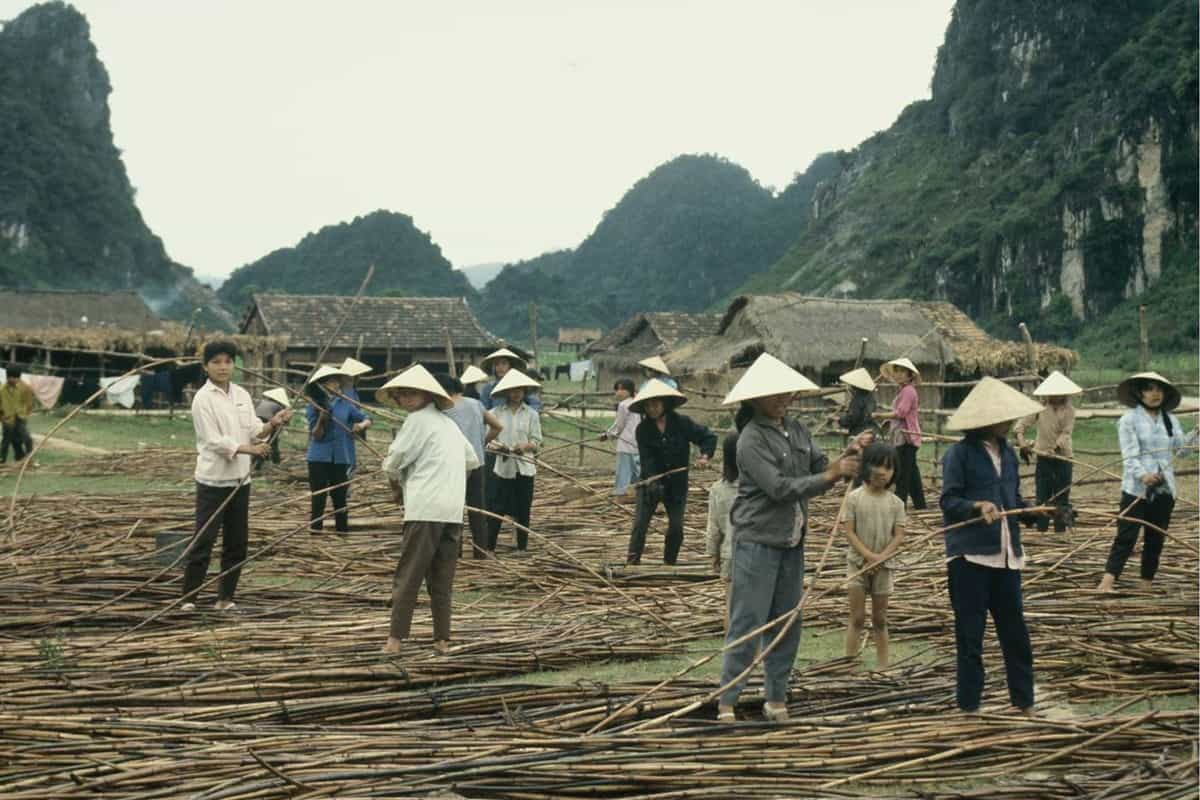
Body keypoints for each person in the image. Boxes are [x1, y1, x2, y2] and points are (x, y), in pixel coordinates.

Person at [717, 353, 866, 723]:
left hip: (791, 541)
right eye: (778, 393)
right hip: (757, 541)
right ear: (755, 399)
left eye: (789, 392)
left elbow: (819, 464)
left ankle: (775, 697)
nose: (787, 398)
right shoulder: (749, 440)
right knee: (748, 622)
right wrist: (832, 475)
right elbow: (780, 488)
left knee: (787, 622)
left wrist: (846, 456)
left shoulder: (797, 430)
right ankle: (726, 701)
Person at [940, 377, 1047, 714]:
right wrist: (977, 507)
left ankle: (1024, 701)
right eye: (1004, 415)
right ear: (985, 419)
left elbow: (1011, 499)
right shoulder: (959, 454)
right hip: (970, 557)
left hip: (1007, 559)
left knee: (1015, 634)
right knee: (970, 637)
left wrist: (1031, 511)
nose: (1011, 420)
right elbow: (949, 500)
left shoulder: (1010, 454)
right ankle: (969, 706)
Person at [183, 340, 293, 612]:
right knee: (203, 541)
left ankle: (225, 598)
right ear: (205, 366)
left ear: (234, 364)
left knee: (236, 543)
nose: (223, 367)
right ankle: (189, 598)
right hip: (213, 481)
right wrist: (250, 449)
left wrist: (273, 424)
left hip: (241, 481)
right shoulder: (202, 399)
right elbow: (213, 441)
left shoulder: (242, 394)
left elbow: (255, 429)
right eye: (216, 362)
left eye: (228, 362)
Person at [379, 364, 480, 655]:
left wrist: (398, 488)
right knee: (442, 578)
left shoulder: (418, 421)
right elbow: (470, 461)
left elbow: (394, 461)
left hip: (425, 511)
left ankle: (394, 641)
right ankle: (442, 640)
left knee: (409, 576)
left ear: (426, 395)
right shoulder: (449, 424)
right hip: (451, 512)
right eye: (401, 395)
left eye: (411, 394)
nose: (405, 399)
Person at [1098, 372, 1198, 593]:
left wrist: (1196, 433)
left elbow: (1180, 451)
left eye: (1160, 390)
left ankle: (1146, 583)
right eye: (1150, 389)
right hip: (1137, 489)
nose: (1156, 394)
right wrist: (1143, 475)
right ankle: (1107, 582)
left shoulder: (1170, 420)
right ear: (1140, 392)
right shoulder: (1129, 419)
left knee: (1155, 538)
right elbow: (1129, 455)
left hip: (1164, 489)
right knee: (1126, 535)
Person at [626, 379, 716, 566]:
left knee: (676, 527)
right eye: (648, 405)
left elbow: (707, 437)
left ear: (665, 404)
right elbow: (647, 459)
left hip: (677, 484)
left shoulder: (682, 423)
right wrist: (653, 482)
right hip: (650, 482)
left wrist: (704, 457)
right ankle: (632, 563)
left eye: (655, 404)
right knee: (640, 525)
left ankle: (669, 563)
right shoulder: (643, 430)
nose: (652, 409)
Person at [843, 443, 905, 668]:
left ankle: (883, 666)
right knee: (857, 618)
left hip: (884, 567)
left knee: (880, 620)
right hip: (858, 565)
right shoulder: (853, 498)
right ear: (866, 466)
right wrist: (869, 556)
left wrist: (881, 558)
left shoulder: (896, 503)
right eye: (877, 465)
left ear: (894, 472)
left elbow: (898, 536)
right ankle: (848, 665)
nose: (882, 471)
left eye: (888, 467)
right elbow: (849, 531)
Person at [436, 373, 503, 559]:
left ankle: (453, 552)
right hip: (477, 463)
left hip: (452, 465)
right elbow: (497, 426)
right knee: (478, 510)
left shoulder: (442, 408)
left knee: (453, 510)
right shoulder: (475, 404)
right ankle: (480, 552)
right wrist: (480, 442)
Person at [305, 365, 370, 535]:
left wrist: (360, 425)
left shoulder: (346, 404)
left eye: (337, 382)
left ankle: (342, 532)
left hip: (341, 457)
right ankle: (315, 533)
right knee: (318, 497)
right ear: (322, 385)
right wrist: (321, 419)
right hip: (319, 457)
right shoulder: (313, 405)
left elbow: (366, 418)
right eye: (331, 383)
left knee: (340, 498)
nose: (336, 386)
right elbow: (316, 435)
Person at [1016, 371, 1081, 533]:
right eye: (1053, 392)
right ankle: (1042, 531)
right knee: (1042, 496)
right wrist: (1022, 441)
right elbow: (1021, 425)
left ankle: (1060, 532)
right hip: (1043, 457)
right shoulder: (1039, 407)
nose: (1056, 396)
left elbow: (1066, 433)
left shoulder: (1070, 410)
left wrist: (1056, 448)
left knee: (1061, 497)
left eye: (1059, 393)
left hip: (1063, 457)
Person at [486, 368, 543, 553]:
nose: (517, 393)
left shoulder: (531, 414)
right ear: (506, 392)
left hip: (524, 467)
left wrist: (525, 446)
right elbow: (487, 441)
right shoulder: (494, 412)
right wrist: (499, 447)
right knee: (496, 508)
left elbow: (537, 441)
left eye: (520, 390)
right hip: (501, 468)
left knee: (523, 509)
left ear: (525, 391)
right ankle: (490, 548)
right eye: (513, 390)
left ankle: (522, 548)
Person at [877, 357, 926, 510]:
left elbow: (901, 413)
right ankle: (920, 505)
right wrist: (888, 421)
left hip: (906, 437)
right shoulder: (902, 391)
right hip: (902, 435)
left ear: (909, 375)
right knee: (912, 474)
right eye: (896, 371)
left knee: (902, 474)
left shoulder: (908, 391)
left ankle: (899, 507)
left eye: (902, 372)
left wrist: (880, 415)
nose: (898, 375)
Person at [706, 432, 740, 625]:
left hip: (729, 553)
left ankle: (733, 651)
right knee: (756, 606)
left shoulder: (718, 489)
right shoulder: (758, 485)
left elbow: (714, 527)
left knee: (731, 606)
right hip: (757, 553)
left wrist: (713, 555)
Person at [339, 357, 374, 496]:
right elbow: (352, 411)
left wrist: (363, 421)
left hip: (348, 430)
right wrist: (363, 420)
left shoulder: (351, 389)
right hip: (344, 429)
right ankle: (343, 491)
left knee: (347, 462)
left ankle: (343, 490)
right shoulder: (346, 390)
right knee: (348, 463)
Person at [600, 378, 641, 496]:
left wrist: (607, 435)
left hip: (626, 442)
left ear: (629, 390)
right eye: (617, 389)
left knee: (624, 471)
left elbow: (619, 425)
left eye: (622, 389)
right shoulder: (639, 401)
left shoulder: (623, 405)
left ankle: (621, 494)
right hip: (639, 442)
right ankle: (636, 493)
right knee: (636, 470)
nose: (619, 392)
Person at [478, 347, 543, 411]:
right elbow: (483, 410)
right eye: (496, 364)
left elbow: (536, 404)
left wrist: (523, 414)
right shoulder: (488, 388)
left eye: (504, 363)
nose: (500, 367)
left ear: (510, 366)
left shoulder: (521, 385)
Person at [0, 366, 34, 463]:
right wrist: (2, 418)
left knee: (27, 438)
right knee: (7, 440)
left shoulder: (25, 388)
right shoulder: (2, 389)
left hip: (20, 418)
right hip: (7, 419)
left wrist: (25, 414)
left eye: (16, 378)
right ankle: (3, 460)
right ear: (7, 377)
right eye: (12, 377)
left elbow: (29, 404)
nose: (14, 380)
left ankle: (29, 460)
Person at [835, 367, 879, 437]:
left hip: (860, 433)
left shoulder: (858, 399)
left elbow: (853, 418)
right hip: (871, 431)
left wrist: (840, 420)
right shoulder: (870, 396)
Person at [253, 387, 291, 469]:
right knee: (273, 442)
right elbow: (280, 421)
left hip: (256, 420)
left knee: (259, 442)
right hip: (267, 421)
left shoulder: (263, 402)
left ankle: (257, 463)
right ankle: (275, 461)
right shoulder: (278, 406)